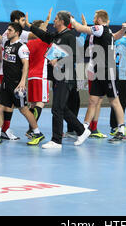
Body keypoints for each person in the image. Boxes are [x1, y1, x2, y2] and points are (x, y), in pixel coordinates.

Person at [29, 11, 91, 149]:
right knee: (61, 108)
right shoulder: (56, 36)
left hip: (66, 76)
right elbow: (44, 35)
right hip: (58, 76)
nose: (53, 21)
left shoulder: (69, 36)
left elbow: (74, 56)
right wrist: (29, 25)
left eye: (56, 19)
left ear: (62, 21)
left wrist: (59, 60)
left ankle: (56, 140)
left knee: (57, 108)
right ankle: (82, 131)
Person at [0, 19, 42, 146]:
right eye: (7, 29)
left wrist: (23, 82)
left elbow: (26, 65)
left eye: (10, 30)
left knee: (24, 110)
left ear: (17, 33)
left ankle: (37, 133)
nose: (7, 32)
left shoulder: (22, 47)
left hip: (17, 85)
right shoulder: (6, 43)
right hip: (5, 84)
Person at [70, 11, 126, 143]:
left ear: (99, 19)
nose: (93, 19)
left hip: (108, 71)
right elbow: (116, 36)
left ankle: (121, 130)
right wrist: (123, 29)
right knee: (92, 101)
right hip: (98, 71)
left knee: (114, 101)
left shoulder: (100, 29)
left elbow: (80, 28)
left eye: (94, 17)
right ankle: (84, 129)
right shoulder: (106, 32)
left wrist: (71, 20)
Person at [25, 10, 53, 140]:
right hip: (41, 76)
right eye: (45, 29)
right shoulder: (45, 42)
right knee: (40, 103)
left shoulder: (28, 44)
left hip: (30, 76)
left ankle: (31, 129)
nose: (46, 30)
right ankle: (32, 130)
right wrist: (47, 20)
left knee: (32, 105)